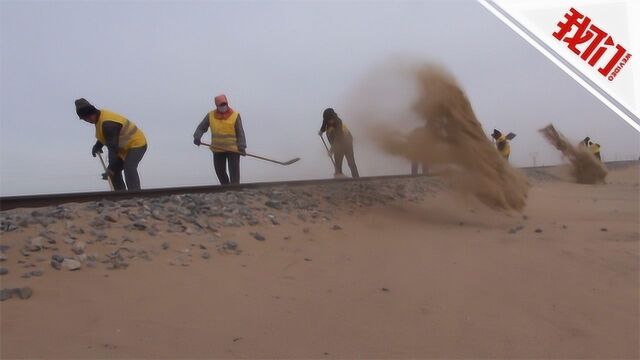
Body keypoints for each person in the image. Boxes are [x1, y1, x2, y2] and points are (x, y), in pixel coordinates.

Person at [74, 98, 147, 191]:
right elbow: (106, 136)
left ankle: (135, 194)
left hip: (137, 144)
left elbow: (112, 148)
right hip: (124, 148)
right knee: (114, 172)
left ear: (93, 112)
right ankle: (121, 196)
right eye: (84, 119)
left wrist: (111, 168)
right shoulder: (100, 119)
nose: (87, 120)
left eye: (87, 117)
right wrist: (98, 146)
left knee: (128, 167)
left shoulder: (108, 124)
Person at [193, 94, 247, 185]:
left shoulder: (235, 115)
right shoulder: (210, 115)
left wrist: (242, 147)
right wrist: (197, 137)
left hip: (233, 150)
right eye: (221, 105)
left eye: (224, 104)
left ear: (227, 103)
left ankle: (235, 190)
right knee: (220, 171)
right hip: (217, 149)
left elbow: (240, 132)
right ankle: (225, 188)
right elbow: (202, 127)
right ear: (217, 106)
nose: (223, 106)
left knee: (234, 173)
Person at [318, 108, 359, 178]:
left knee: (351, 162)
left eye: (330, 120)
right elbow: (324, 126)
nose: (329, 122)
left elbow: (338, 138)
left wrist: (331, 151)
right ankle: (339, 177)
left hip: (346, 142)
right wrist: (321, 131)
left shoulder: (338, 122)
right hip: (336, 144)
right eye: (327, 120)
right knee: (337, 163)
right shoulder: (326, 120)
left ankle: (356, 178)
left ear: (333, 117)